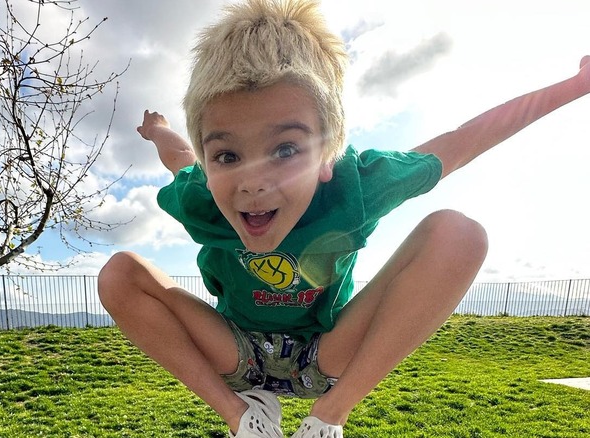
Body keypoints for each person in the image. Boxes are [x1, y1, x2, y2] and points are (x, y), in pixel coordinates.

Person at [98, 1, 590, 437]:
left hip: (325, 355)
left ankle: (329, 417)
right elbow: (179, 155)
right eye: (227, 155)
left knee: (460, 232)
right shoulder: (202, 195)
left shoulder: (356, 187)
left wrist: (574, 86)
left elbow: (463, 140)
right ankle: (244, 417)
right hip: (237, 355)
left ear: (328, 155)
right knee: (119, 273)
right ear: (210, 166)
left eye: (286, 149)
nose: (252, 182)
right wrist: (159, 128)